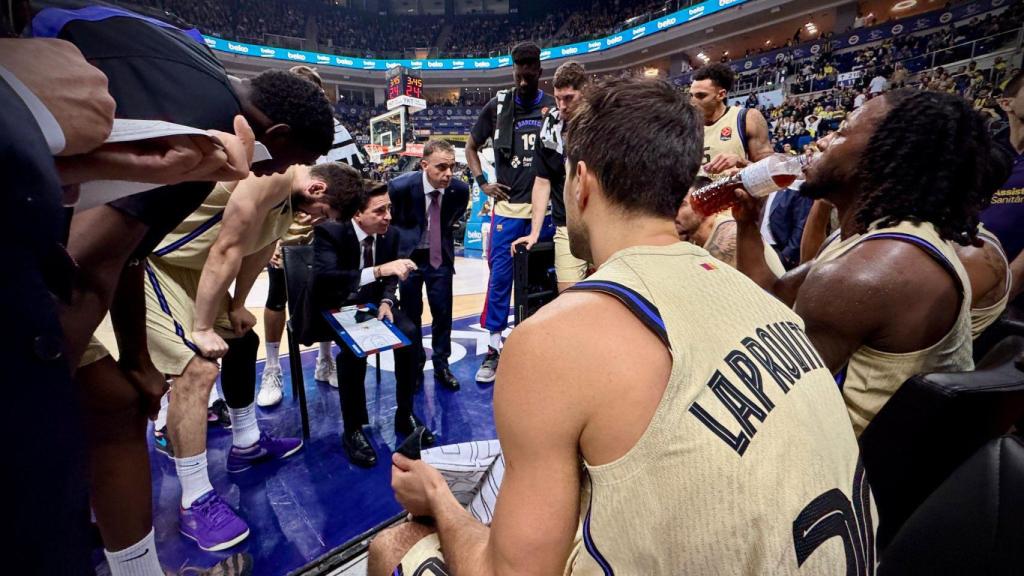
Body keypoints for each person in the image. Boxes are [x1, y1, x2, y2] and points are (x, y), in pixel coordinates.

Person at [369, 78, 871, 576]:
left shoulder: (549, 341)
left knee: (394, 543)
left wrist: (438, 498)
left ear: (581, 182)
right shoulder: (762, 297)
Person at [31, 6, 334, 573]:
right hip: (70, 240)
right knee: (174, 378)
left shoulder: (200, 72)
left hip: (92, 232)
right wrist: (37, 390)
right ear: (278, 136)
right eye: (293, 160)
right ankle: (191, 502)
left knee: (123, 399)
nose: (282, 171)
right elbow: (93, 262)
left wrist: (141, 361)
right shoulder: (201, 141)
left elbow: (127, 253)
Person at [734, 89, 1009, 436]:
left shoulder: (873, 271)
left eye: (841, 131)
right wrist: (748, 224)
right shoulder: (871, 237)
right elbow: (773, 297)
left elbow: (767, 401)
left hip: (848, 458)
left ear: (883, 155)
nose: (822, 141)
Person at [147, 162, 358, 552]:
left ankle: (246, 443)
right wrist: (203, 327)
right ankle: (194, 499)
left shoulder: (289, 203)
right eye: (323, 212)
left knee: (243, 341)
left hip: (192, 269)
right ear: (317, 190)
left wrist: (238, 305)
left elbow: (259, 250)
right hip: (155, 265)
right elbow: (227, 248)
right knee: (197, 370)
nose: (317, 220)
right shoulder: (271, 178)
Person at [260, 64, 366, 403]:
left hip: (326, 226)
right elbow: (259, 194)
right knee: (277, 296)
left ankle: (325, 359)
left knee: (328, 295)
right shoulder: (274, 129)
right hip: (283, 227)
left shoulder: (334, 131)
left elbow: (354, 182)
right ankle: (272, 368)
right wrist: (269, 239)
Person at [312, 183, 435, 468]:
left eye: (389, 208)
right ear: (357, 214)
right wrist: (378, 271)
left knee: (411, 334)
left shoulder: (390, 234)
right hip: (335, 305)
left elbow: (391, 279)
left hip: (373, 305)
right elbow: (327, 279)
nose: (388, 216)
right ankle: (353, 429)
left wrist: (387, 301)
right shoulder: (330, 232)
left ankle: (404, 412)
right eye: (380, 210)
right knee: (352, 352)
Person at [465, 41, 556, 383]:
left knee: (542, 282)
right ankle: (493, 349)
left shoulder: (552, 106)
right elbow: (471, 146)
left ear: (539, 71)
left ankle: (537, 345)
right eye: (518, 74)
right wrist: (482, 183)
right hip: (507, 210)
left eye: (529, 73)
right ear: (513, 71)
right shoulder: (497, 105)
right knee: (500, 280)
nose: (523, 79)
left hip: (545, 213)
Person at [389, 139, 470, 390]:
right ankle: (415, 365)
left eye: (452, 167)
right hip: (409, 257)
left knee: (443, 313)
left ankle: (441, 365)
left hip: (439, 257)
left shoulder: (460, 190)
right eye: (441, 167)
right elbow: (392, 223)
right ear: (424, 165)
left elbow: (454, 217)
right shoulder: (400, 187)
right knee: (411, 314)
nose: (449, 173)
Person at [511, 60, 590, 292]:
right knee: (568, 295)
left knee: (611, 296)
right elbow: (542, 180)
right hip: (567, 224)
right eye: (557, 98)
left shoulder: (605, 123)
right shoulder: (549, 126)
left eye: (569, 98)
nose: (562, 106)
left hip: (605, 222)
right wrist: (534, 232)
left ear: (585, 92)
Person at [675, 175, 787, 275]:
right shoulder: (695, 238)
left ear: (706, 206)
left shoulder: (730, 236)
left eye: (681, 205)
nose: (672, 212)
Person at [982, 70, 1024, 304]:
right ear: (1006, 103)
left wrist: (1007, 289)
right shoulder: (985, 155)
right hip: (975, 283)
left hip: (1009, 301)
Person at [688, 63, 773, 177]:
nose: (693, 102)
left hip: (736, 188)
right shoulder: (686, 127)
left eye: (701, 96)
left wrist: (741, 162)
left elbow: (770, 171)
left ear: (721, 95)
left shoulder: (747, 118)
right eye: (691, 95)